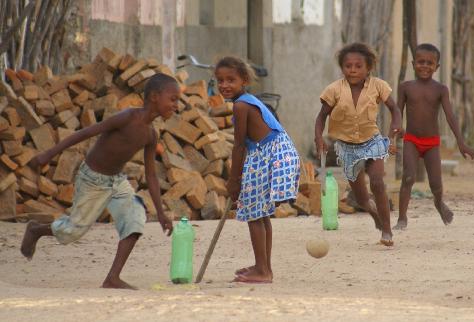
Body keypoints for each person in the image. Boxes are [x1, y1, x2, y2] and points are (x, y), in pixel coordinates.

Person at [20, 73, 177, 289]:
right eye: (173, 99)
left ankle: (112, 278)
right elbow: (85, 133)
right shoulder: (127, 118)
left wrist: (160, 213)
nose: (176, 105)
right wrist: (50, 153)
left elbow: (151, 175)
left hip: (116, 182)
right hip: (92, 179)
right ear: (154, 97)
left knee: (135, 219)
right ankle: (36, 230)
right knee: (72, 231)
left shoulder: (151, 135)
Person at [215, 56, 300, 283]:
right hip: (271, 152)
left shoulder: (242, 105)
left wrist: (234, 181)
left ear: (244, 80)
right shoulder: (246, 100)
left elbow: (239, 145)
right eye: (220, 81)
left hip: (271, 155)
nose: (224, 85)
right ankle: (263, 266)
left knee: (254, 213)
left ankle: (263, 271)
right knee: (260, 214)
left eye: (230, 80)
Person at [314, 42, 402, 246]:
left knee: (378, 182)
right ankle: (374, 214)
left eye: (358, 66)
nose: (352, 70)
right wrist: (319, 138)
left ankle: (387, 231)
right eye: (348, 66)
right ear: (342, 67)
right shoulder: (334, 90)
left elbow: (395, 110)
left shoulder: (378, 86)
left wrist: (393, 131)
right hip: (347, 147)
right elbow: (321, 118)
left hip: (372, 142)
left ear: (368, 68)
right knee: (361, 197)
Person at [394, 43, 474, 230]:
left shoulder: (441, 89)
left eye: (429, 63)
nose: (425, 66)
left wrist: (461, 143)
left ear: (437, 67)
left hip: (431, 143)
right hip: (412, 140)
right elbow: (398, 112)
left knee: (436, 184)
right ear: (413, 64)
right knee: (408, 177)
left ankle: (439, 203)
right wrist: (395, 131)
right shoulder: (405, 87)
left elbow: (450, 116)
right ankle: (402, 218)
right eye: (421, 62)